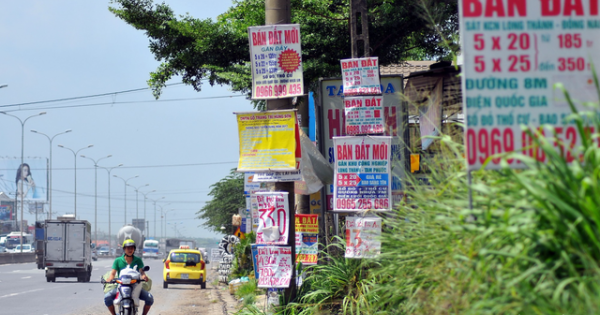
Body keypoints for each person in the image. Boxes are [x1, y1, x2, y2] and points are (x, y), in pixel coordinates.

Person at [104, 239, 153, 315]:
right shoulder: (118, 260)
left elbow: (142, 272)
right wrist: (110, 279)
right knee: (107, 297)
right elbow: (113, 273)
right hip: (120, 287)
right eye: (128, 248)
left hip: (136, 287)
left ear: (134, 249)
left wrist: (144, 277)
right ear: (124, 249)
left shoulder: (138, 260)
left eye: (132, 248)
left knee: (149, 298)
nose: (130, 250)